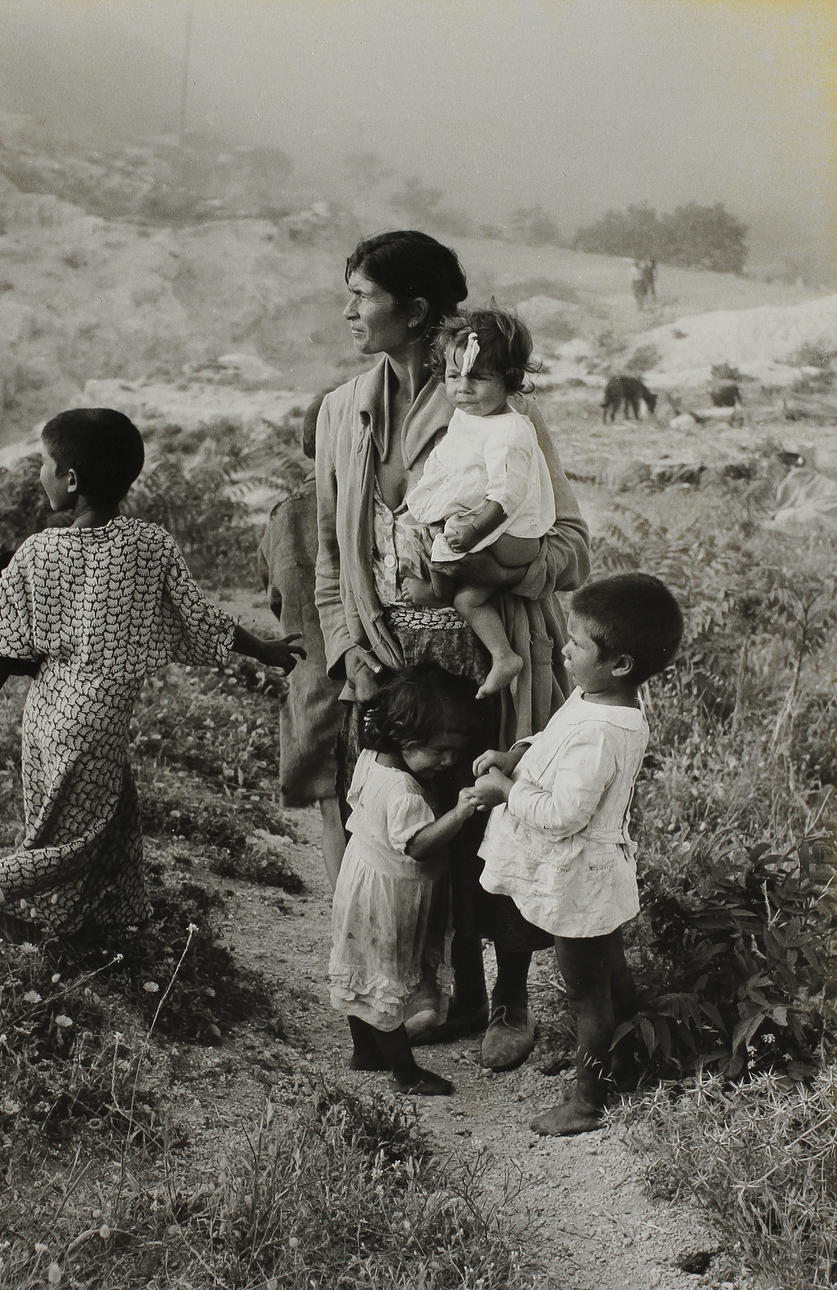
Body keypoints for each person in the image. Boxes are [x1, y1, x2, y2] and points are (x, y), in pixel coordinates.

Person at [315, 230, 590, 1069]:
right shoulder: (340, 411)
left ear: (417, 310)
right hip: (392, 661)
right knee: (412, 829)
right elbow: (334, 556)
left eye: (361, 293)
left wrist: (501, 566)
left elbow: (572, 544)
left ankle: (505, 999)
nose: (348, 308)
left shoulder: (498, 411)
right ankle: (438, 991)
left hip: (489, 654)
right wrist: (343, 647)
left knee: (495, 821)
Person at [0, 408, 304, 940]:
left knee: (106, 813)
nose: (39, 475)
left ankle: (118, 916)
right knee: (69, 844)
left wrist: (38, 653)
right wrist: (265, 651)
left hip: (47, 713)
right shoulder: (149, 545)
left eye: (44, 465)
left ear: (70, 480)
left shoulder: (39, 550)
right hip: (96, 721)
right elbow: (202, 619)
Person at [469, 573, 684, 1134]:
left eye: (578, 643)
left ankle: (588, 1099)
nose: (564, 647)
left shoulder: (604, 731)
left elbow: (565, 815)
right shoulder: (595, 701)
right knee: (608, 973)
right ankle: (625, 1059)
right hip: (589, 873)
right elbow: (553, 738)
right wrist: (516, 753)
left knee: (587, 989)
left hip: (577, 875)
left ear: (620, 664)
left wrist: (505, 792)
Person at [329, 666, 480, 1095]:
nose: (449, 761)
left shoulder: (370, 758)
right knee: (385, 982)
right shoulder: (404, 792)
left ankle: (365, 1051)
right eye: (440, 751)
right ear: (406, 741)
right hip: (388, 897)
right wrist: (460, 810)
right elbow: (419, 844)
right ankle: (406, 1073)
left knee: (365, 973)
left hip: (362, 882)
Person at [401, 308, 556, 699]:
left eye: (478, 378)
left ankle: (437, 587)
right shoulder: (467, 417)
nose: (463, 389)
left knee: (448, 543)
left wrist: (471, 531)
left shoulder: (509, 429)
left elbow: (505, 496)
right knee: (469, 599)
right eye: (454, 377)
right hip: (494, 527)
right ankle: (504, 656)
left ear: (508, 380)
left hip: (514, 534)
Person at [258, 393, 345, 888]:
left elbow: (274, 596)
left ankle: (347, 931)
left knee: (334, 810)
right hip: (378, 683)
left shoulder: (284, 514)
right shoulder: (372, 505)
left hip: (314, 682)